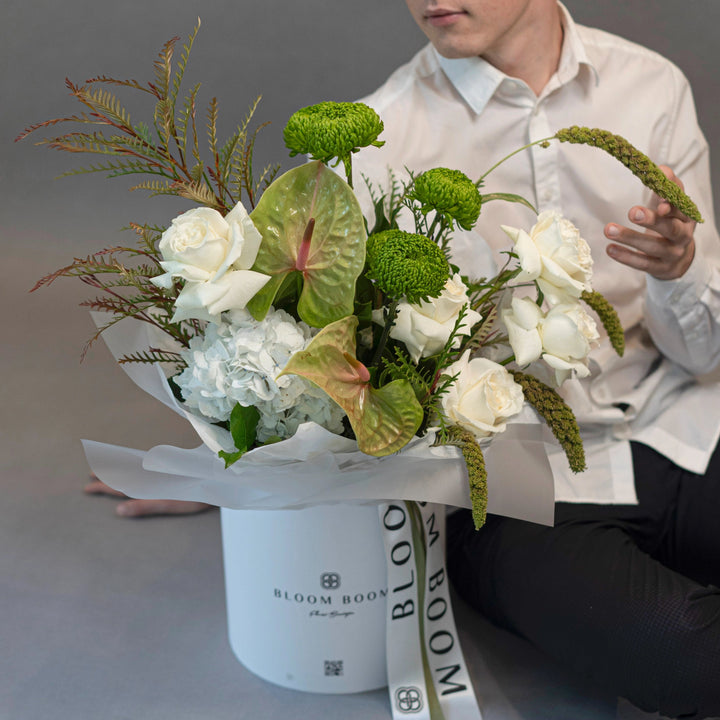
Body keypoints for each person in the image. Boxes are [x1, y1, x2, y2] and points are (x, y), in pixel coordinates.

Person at [349, 1, 720, 717]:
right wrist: (241, 462)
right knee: (680, 658)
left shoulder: (649, 88)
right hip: (511, 487)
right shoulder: (379, 140)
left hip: (676, 425)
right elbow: (340, 351)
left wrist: (677, 271)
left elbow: (701, 353)